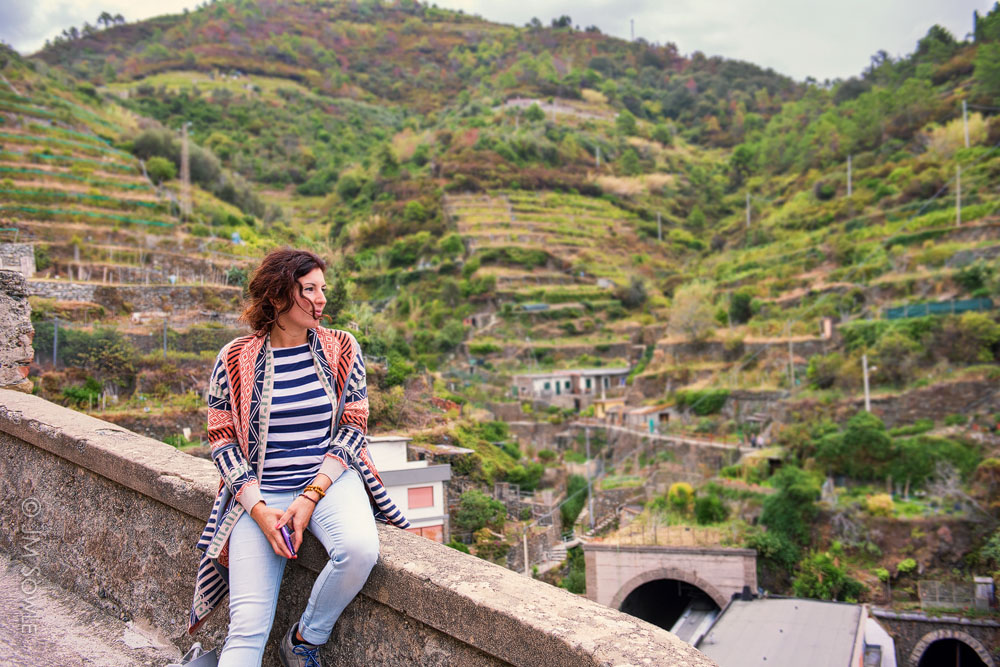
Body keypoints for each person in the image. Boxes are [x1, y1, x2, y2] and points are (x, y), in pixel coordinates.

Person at [187, 248, 409, 667]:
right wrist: (257, 509)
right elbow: (222, 440)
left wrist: (310, 496)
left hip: (330, 481)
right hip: (261, 492)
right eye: (309, 289)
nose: (321, 299)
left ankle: (306, 638)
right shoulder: (234, 358)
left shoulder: (342, 347)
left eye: (323, 289)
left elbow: (353, 426)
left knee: (359, 551)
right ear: (277, 296)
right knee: (248, 626)